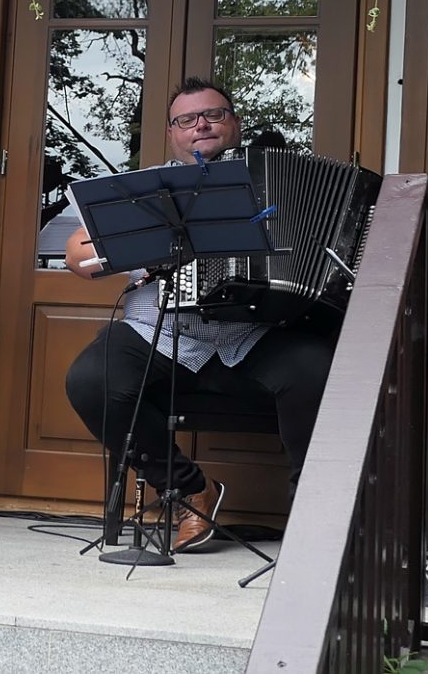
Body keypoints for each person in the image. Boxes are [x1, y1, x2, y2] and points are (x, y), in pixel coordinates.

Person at [57, 78, 336, 555]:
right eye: (187, 119)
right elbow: (77, 255)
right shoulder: (143, 191)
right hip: (161, 332)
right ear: (172, 133)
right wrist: (141, 247)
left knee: (319, 370)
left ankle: (315, 521)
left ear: (234, 123)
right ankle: (188, 491)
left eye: (213, 115)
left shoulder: (277, 184)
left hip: (253, 334)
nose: (201, 125)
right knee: (90, 379)